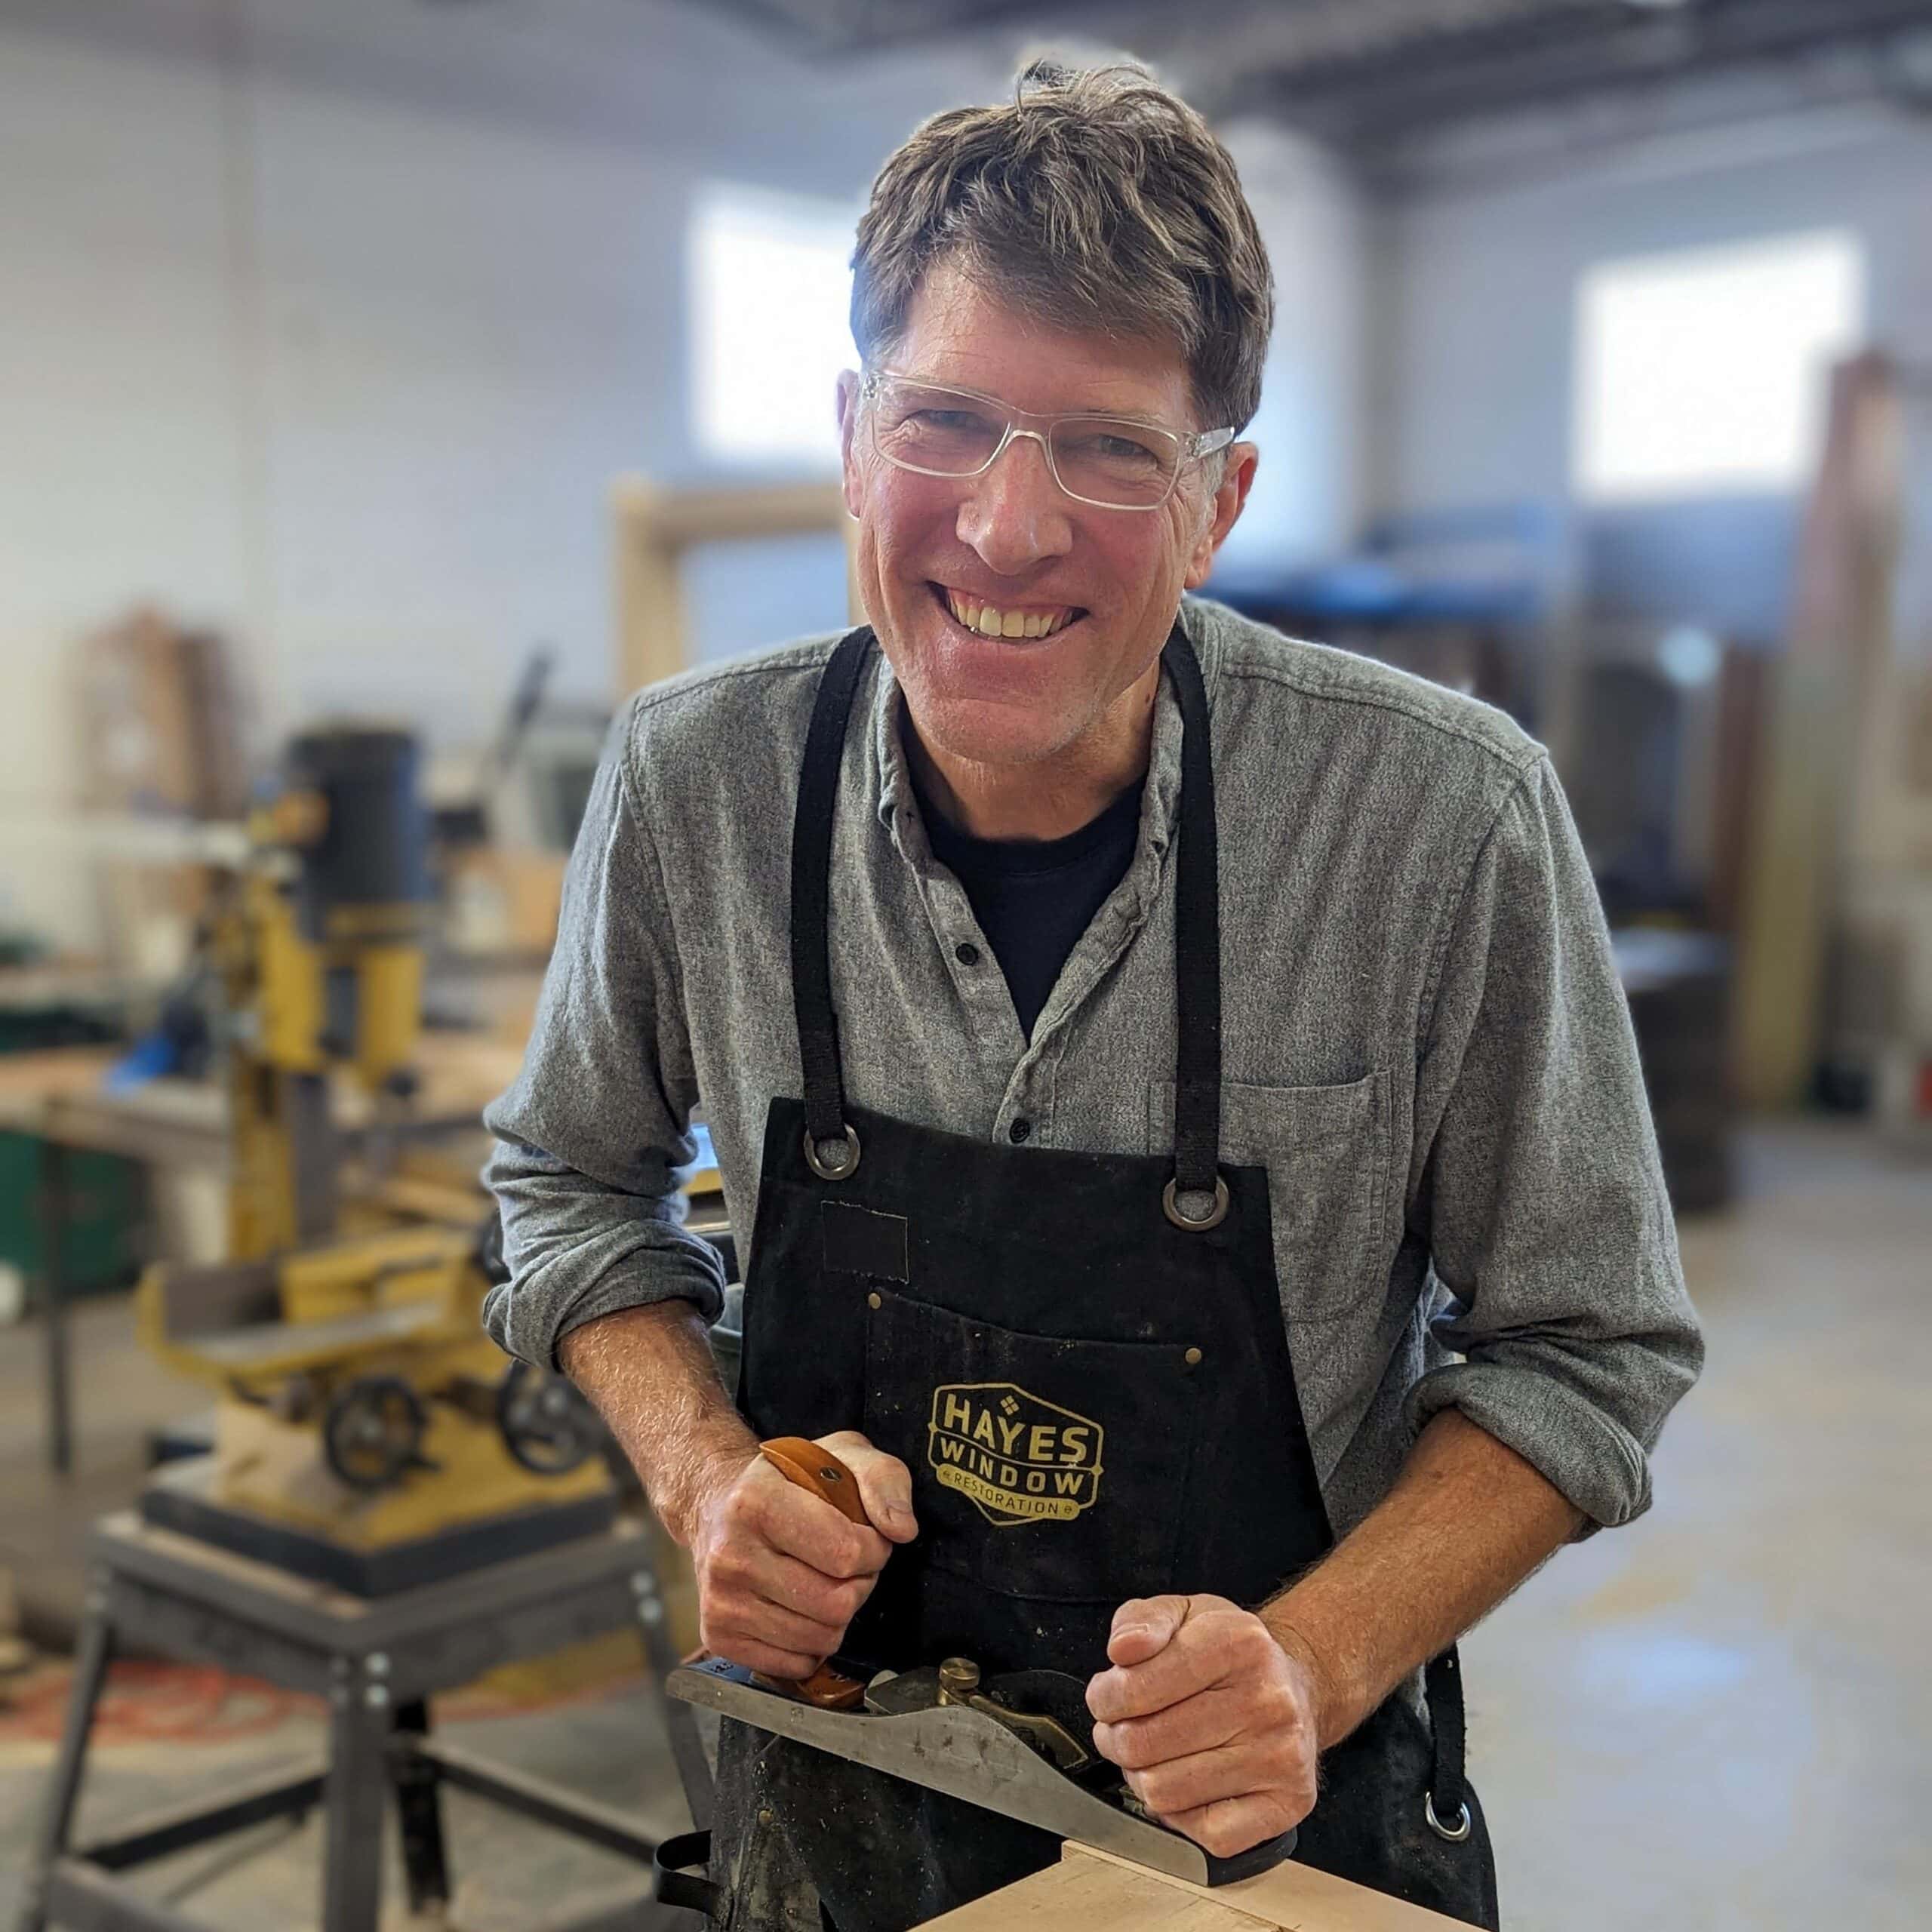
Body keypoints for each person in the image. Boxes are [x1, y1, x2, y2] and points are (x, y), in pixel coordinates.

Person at [483, 58, 1703, 1932]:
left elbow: (1586, 1338)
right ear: (848, 434)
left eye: (1112, 448)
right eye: (944, 420)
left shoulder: (1436, 822)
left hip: (1275, 1837)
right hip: (832, 1814)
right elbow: (567, 1184)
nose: (1006, 526)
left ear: (1217, 500)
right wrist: (709, 1474)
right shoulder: (692, 788)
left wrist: (1313, 1656)